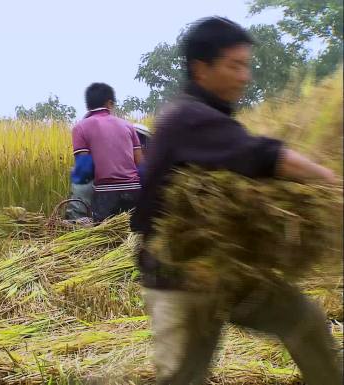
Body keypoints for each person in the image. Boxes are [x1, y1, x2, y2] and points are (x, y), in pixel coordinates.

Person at [131, 17, 341, 385]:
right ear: (201, 68)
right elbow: (264, 155)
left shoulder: (206, 117)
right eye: (235, 66)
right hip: (180, 277)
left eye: (247, 66)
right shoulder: (189, 116)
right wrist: (329, 180)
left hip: (226, 269)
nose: (245, 77)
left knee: (304, 320)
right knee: (182, 376)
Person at [72, 83, 144, 223]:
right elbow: (140, 163)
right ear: (109, 103)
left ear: (87, 106)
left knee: (108, 240)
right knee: (133, 238)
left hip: (106, 194)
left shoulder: (80, 127)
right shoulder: (128, 126)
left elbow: (84, 172)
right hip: (134, 191)